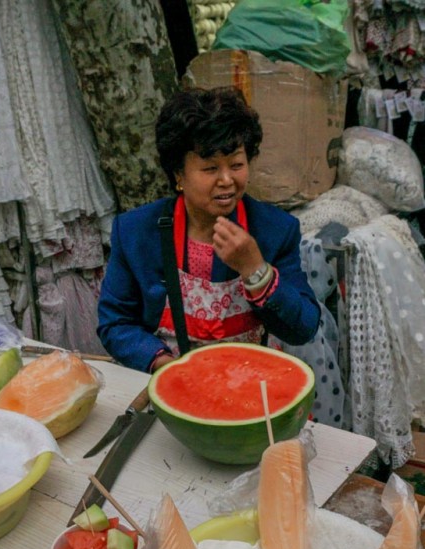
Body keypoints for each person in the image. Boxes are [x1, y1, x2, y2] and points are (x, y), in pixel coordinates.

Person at [97, 87, 321, 373]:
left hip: (251, 382)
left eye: (236, 165)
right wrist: (163, 365)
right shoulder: (135, 232)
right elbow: (115, 323)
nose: (227, 180)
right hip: (169, 382)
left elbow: (304, 328)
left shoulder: (276, 230)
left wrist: (256, 270)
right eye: (210, 168)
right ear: (179, 174)